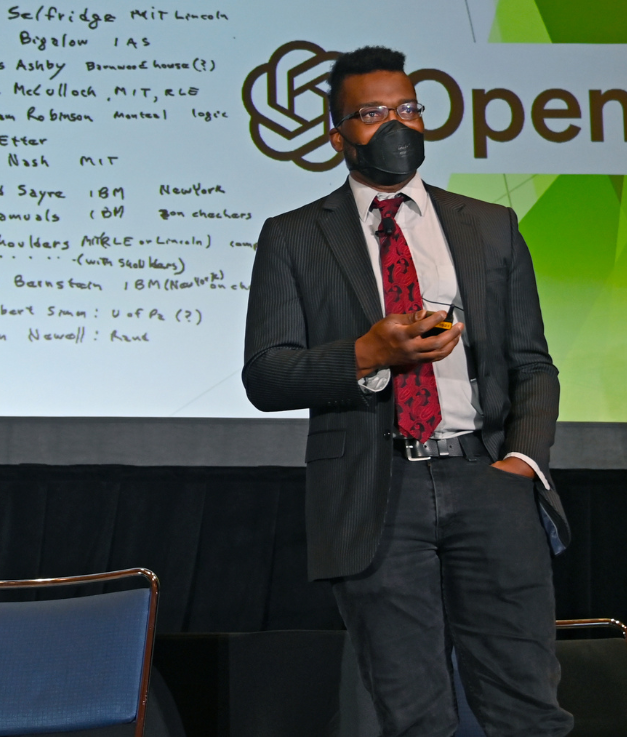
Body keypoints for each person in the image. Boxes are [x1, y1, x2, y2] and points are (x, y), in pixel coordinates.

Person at [242, 46, 573, 737]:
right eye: (371, 113)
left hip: (486, 478)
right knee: (413, 716)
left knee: (528, 711)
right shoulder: (295, 237)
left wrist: (522, 463)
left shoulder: (488, 226)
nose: (396, 125)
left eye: (407, 109)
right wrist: (367, 353)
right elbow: (266, 375)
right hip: (376, 491)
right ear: (337, 135)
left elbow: (532, 363)